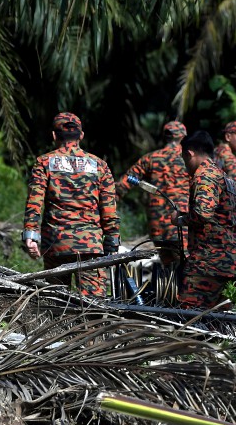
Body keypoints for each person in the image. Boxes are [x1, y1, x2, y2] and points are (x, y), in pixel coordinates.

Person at [22, 112, 120, 297]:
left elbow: (35, 200)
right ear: (81, 136)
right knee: (94, 307)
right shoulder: (100, 165)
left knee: (56, 303)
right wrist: (112, 240)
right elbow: (109, 208)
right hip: (90, 246)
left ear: (53, 135)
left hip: (55, 244)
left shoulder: (44, 162)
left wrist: (31, 234)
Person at [178, 130, 236, 309]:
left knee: (190, 316)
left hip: (209, 264)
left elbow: (203, 213)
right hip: (233, 261)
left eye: (185, 159)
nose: (185, 165)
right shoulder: (224, 176)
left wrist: (180, 219)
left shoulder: (205, 175)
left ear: (189, 153)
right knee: (221, 322)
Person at [116, 120, 190, 265]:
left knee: (167, 265)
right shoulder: (189, 157)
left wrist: (111, 199)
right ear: (183, 136)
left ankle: (170, 287)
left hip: (157, 223)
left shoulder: (150, 158)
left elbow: (126, 182)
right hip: (181, 221)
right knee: (186, 264)